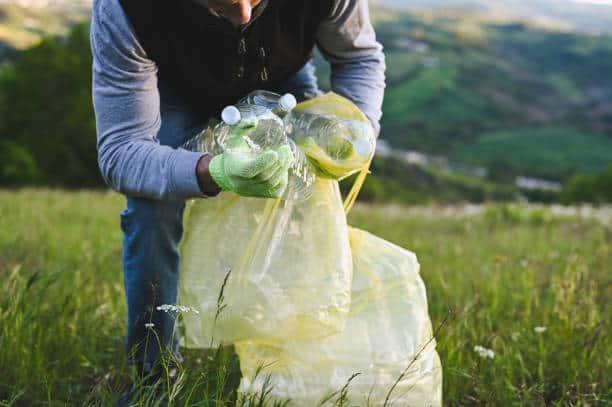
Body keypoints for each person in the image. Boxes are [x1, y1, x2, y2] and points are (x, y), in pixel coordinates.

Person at [90, 0, 385, 395]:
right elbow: (122, 151)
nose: (245, 15)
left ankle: (291, 372)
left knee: (307, 193)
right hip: (174, 90)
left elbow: (359, 58)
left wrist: (354, 136)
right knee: (151, 210)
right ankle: (154, 381)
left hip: (281, 80)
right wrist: (213, 172)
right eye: (223, 3)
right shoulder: (125, 9)